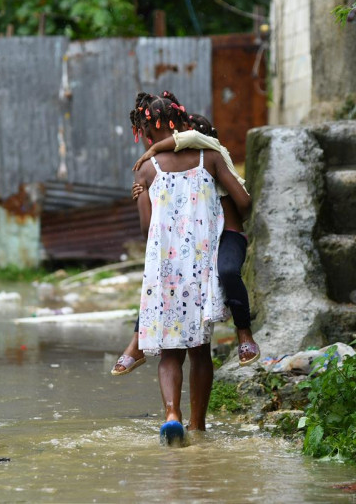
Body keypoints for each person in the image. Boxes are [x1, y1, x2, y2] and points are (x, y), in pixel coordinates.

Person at [128, 92, 251, 445]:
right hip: (200, 265)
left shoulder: (148, 168)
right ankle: (198, 425)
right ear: (183, 122)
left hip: (167, 270)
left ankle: (171, 414)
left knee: (169, 350)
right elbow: (242, 201)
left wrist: (140, 197)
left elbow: (147, 229)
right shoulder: (209, 157)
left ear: (146, 134)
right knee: (199, 350)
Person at [111, 104, 260, 377]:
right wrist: (143, 193)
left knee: (226, 271)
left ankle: (244, 332)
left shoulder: (211, 157)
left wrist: (155, 150)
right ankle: (138, 343)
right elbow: (150, 229)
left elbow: (243, 203)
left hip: (225, 237)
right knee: (161, 281)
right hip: (197, 243)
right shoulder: (160, 172)